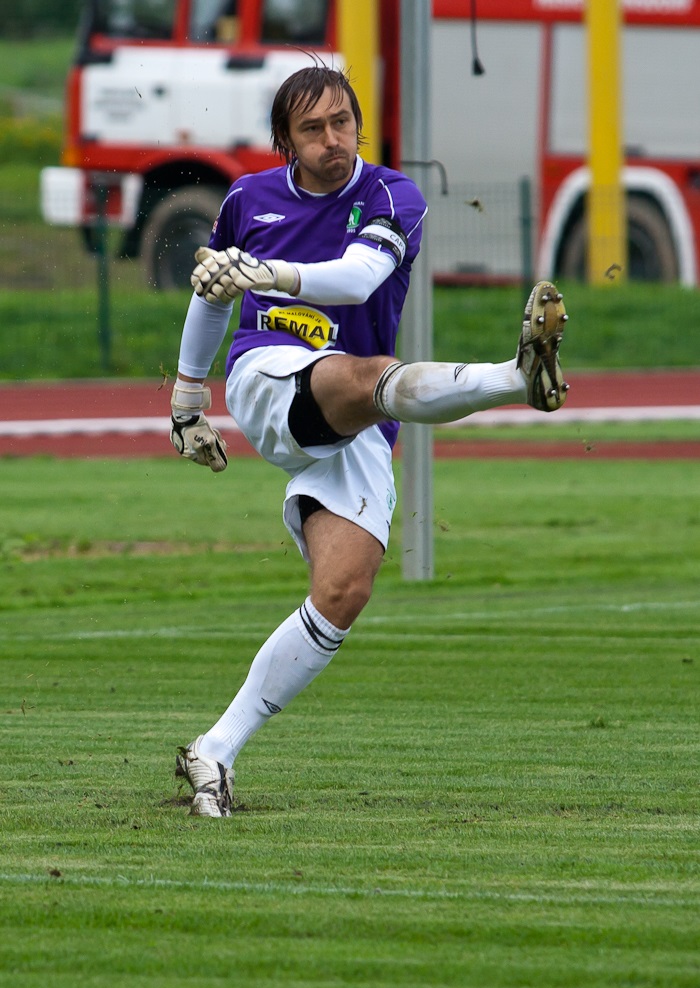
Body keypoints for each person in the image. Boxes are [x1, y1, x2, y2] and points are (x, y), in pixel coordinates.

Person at [170, 64, 569, 817]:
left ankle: (213, 750)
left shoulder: (393, 197)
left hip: (359, 408)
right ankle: (518, 381)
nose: (333, 141)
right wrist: (190, 398)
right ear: (284, 139)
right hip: (270, 375)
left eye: (343, 122)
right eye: (313, 129)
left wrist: (268, 271)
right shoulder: (246, 199)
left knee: (343, 591)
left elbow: (356, 280)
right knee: (364, 374)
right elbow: (214, 293)